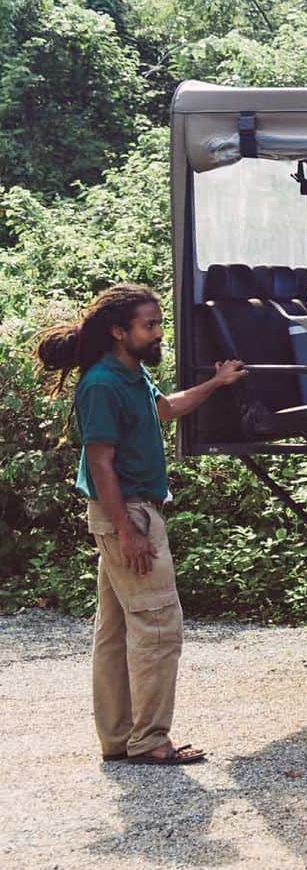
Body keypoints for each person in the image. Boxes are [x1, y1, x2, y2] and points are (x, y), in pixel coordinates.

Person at [33, 284, 247, 766]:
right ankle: (150, 740)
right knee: (157, 626)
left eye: (159, 325)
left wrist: (217, 383)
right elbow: (101, 462)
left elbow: (166, 408)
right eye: (149, 326)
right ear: (118, 331)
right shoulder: (104, 384)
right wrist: (128, 531)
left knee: (114, 631)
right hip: (126, 514)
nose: (158, 334)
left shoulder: (130, 376)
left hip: (130, 512)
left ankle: (118, 739)